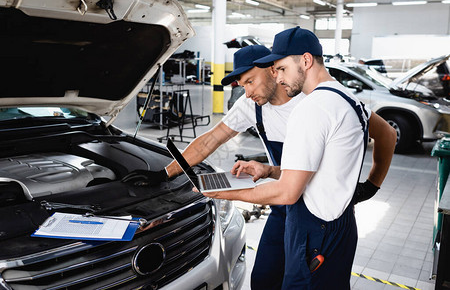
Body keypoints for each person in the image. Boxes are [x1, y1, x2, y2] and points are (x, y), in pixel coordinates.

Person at [198, 27, 397, 289]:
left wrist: (222, 192)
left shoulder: (312, 108)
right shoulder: (349, 99)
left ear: (305, 60)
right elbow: (319, 169)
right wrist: (370, 186)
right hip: (341, 225)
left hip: (315, 231)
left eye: (281, 69)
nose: (278, 77)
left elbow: (287, 193)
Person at [123, 44, 304, 289]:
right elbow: (210, 139)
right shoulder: (252, 106)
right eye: (243, 86)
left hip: (317, 211)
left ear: (272, 70)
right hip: (283, 206)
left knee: (302, 282)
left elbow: (372, 124)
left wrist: (370, 182)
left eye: (250, 81)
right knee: (264, 279)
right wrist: (165, 173)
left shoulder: (310, 101)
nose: (247, 93)